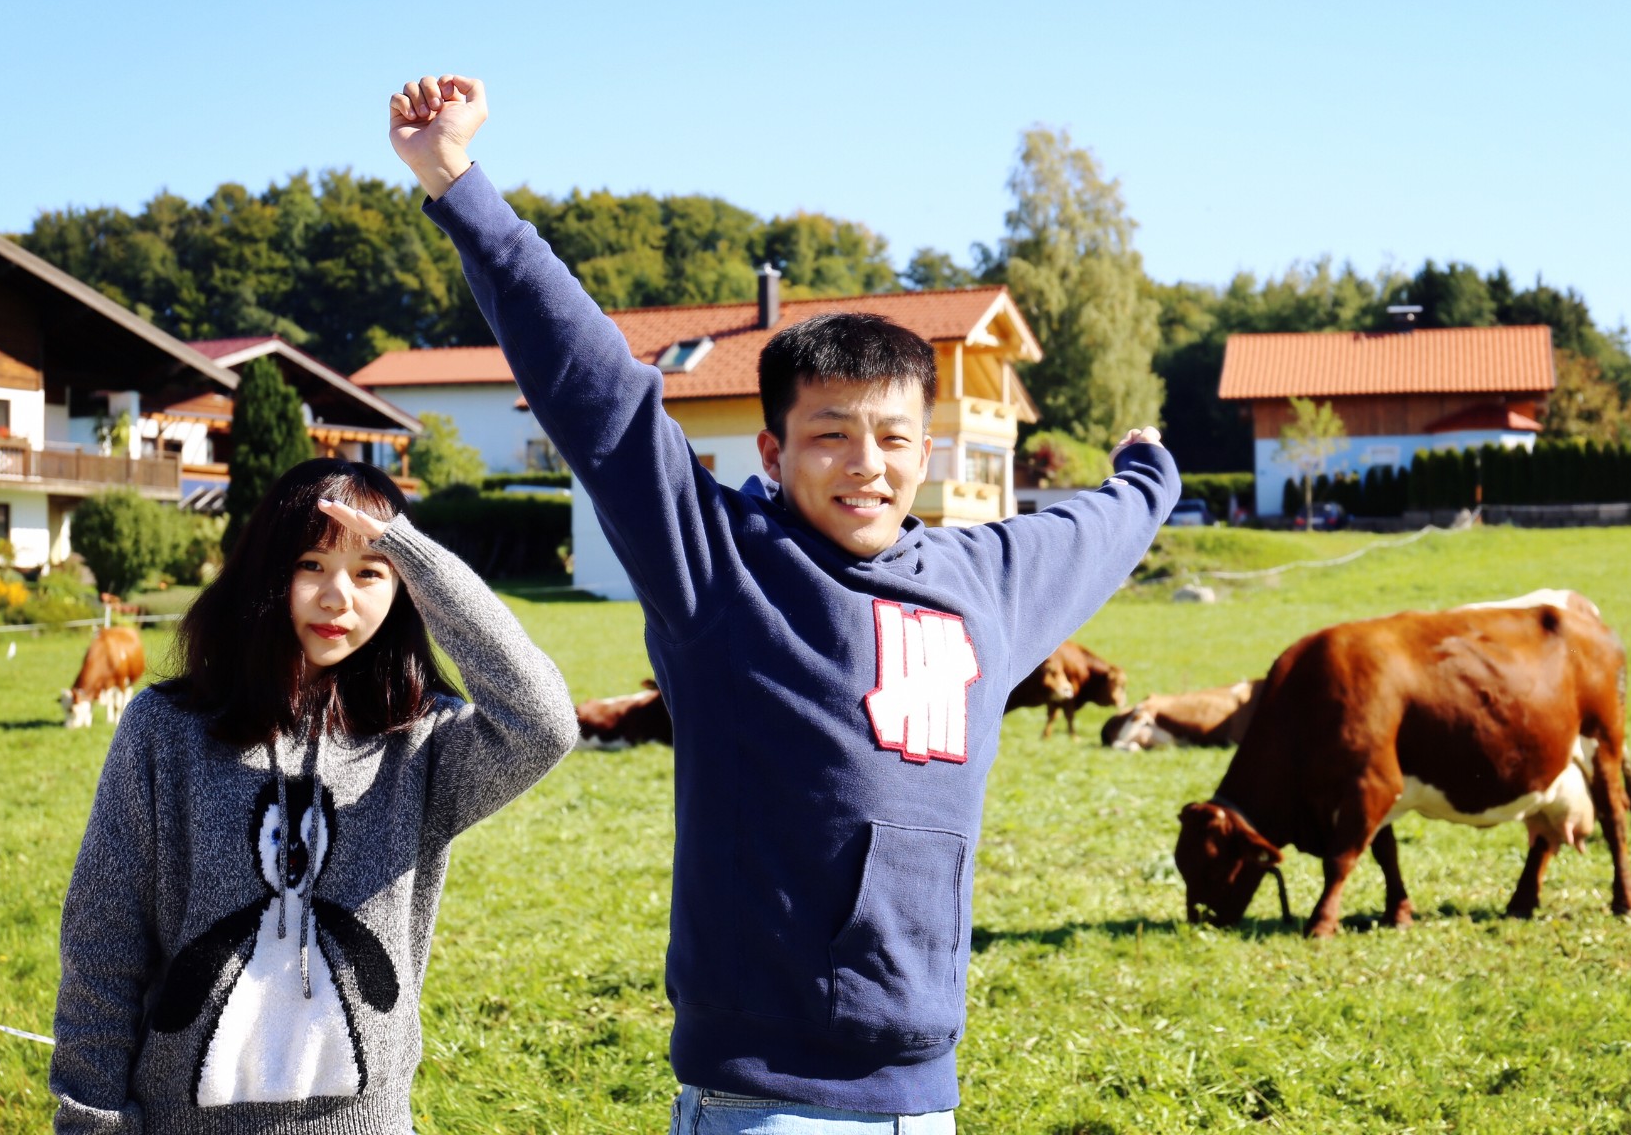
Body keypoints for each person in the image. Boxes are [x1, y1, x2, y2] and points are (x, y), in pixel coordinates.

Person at [389, 74, 1177, 1134]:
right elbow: (599, 395)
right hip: (761, 1103)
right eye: (829, 435)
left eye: (893, 439)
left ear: (925, 452)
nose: (866, 466)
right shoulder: (719, 568)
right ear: (772, 448)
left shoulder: (984, 583)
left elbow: (1103, 530)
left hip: (924, 1103)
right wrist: (456, 182)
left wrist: (1147, 474)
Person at [49, 458, 579, 1133]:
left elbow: (545, 723)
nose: (339, 598)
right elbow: (104, 941)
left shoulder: (421, 744)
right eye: (311, 565)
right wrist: (92, 1122)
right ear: (268, 572)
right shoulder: (165, 730)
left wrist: (415, 553)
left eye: (370, 572)